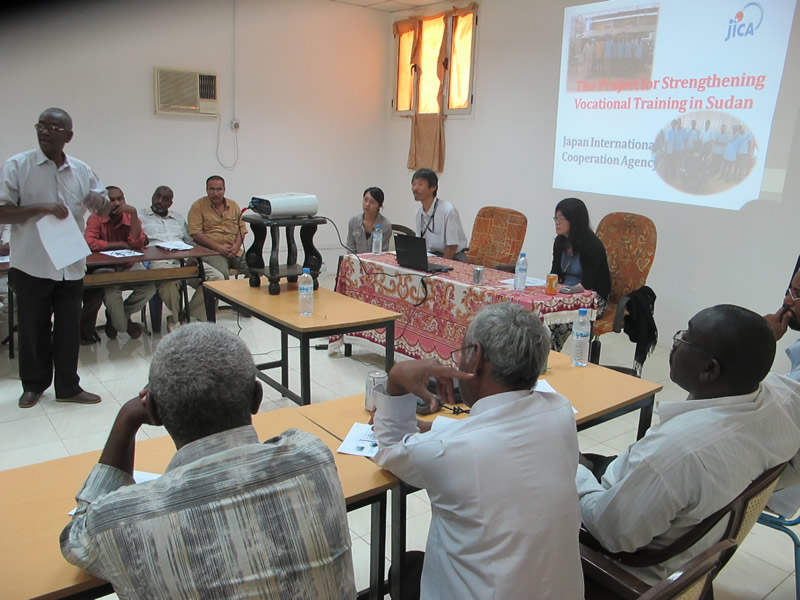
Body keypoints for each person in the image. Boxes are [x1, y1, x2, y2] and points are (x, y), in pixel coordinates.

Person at [60, 323, 356, 599]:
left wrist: (126, 420)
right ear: (256, 398)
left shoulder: (119, 520)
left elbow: (78, 538)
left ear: (152, 411)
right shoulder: (312, 456)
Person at [371, 302, 584, 599]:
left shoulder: (448, 452)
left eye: (461, 353)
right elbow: (496, 436)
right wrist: (435, 428)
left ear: (477, 357)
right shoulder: (560, 411)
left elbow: (390, 447)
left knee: (402, 568)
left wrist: (396, 378)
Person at [577, 305, 800, 586]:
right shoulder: (785, 400)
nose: (675, 342)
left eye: (684, 338)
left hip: (627, 570)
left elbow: (610, 534)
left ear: (709, 368)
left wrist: (575, 472)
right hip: (685, 533)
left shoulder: (677, 453)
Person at [0, 107, 109, 408]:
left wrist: (101, 204)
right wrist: (41, 208)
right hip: (32, 263)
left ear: (68, 136)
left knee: (68, 328)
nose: (45, 131)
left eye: (53, 127)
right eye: (41, 125)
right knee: (33, 328)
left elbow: (103, 208)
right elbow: (2, 211)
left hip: (70, 264)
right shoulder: (17, 166)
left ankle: (68, 387)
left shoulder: (81, 170)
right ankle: (34, 386)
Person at [140, 185, 221, 332]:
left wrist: (194, 257)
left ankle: (186, 313)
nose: (159, 201)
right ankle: (176, 319)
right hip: (159, 261)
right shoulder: (140, 217)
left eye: (165, 199)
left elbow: (190, 241)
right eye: (157, 196)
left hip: (182, 260)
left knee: (217, 278)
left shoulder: (177, 218)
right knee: (168, 281)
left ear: (170, 203)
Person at [83, 186, 155, 341]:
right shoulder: (96, 217)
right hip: (104, 266)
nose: (116, 203)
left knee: (149, 286)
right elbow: (89, 243)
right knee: (112, 293)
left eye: (120, 199)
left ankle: (116, 317)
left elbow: (138, 243)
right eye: (111, 199)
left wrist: (134, 213)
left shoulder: (131, 217)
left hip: (128, 264)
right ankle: (124, 324)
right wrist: (119, 244)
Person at [549, 197, 610, 351]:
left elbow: (587, 285)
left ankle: (549, 357)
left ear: (574, 221)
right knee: (540, 319)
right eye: (556, 218)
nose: (557, 222)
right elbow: (555, 273)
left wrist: (563, 295)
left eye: (561, 218)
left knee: (558, 322)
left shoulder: (592, 245)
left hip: (591, 298)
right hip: (565, 294)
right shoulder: (559, 241)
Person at [188, 175, 250, 280]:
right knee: (222, 276)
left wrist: (236, 247)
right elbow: (196, 234)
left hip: (235, 251)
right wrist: (219, 248)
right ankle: (226, 296)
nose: (216, 193)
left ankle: (244, 295)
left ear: (224, 189)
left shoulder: (233, 205)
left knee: (257, 269)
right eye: (212, 189)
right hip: (212, 253)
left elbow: (242, 230)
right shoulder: (198, 206)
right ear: (206, 190)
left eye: (219, 189)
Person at [412, 168, 468, 262]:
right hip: (432, 256)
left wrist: (440, 267)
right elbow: (420, 244)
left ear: (433, 187)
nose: (415, 188)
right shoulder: (419, 213)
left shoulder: (448, 210)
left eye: (420, 184)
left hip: (454, 257)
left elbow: (452, 247)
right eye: (413, 184)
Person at [345, 186, 392, 254]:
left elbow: (383, 251)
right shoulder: (353, 222)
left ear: (380, 206)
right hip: (356, 261)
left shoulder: (385, 225)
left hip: (376, 262)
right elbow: (350, 248)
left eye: (372, 202)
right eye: (365, 200)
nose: (367, 204)